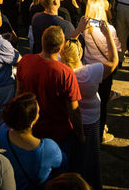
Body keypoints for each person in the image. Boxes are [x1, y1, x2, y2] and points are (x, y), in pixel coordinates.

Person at [60, 20, 117, 190]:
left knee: (73, 156)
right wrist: (108, 36)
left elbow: (63, 46)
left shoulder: (61, 69)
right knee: (90, 158)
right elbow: (113, 62)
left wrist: (77, 30)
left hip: (68, 121)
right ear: (79, 54)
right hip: (90, 122)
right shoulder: (89, 73)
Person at [16, 26, 83, 164]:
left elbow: (18, 93)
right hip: (58, 134)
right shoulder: (65, 73)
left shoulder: (25, 61)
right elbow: (74, 110)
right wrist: (80, 134)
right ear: (60, 48)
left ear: (42, 42)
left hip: (31, 129)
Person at [0, 93, 65, 190]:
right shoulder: (48, 148)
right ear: (33, 120)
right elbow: (63, 166)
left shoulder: (2, 131)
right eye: (38, 112)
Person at [81, 0, 121, 141]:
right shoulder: (109, 29)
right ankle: (100, 134)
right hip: (104, 70)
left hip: (89, 67)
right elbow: (116, 49)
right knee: (102, 103)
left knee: (90, 100)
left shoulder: (85, 28)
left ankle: (91, 129)